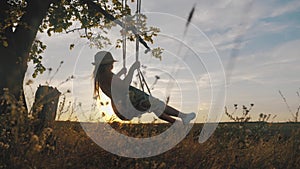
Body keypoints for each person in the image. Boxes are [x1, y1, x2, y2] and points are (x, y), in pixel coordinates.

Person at [93, 51, 196, 124]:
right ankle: (183, 116)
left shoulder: (101, 77)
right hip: (129, 104)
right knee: (156, 104)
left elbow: (114, 84)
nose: (112, 65)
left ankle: (175, 123)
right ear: (107, 65)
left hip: (121, 107)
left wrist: (120, 73)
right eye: (111, 63)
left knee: (154, 106)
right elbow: (123, 86)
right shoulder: (108, 76)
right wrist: (132, 70)